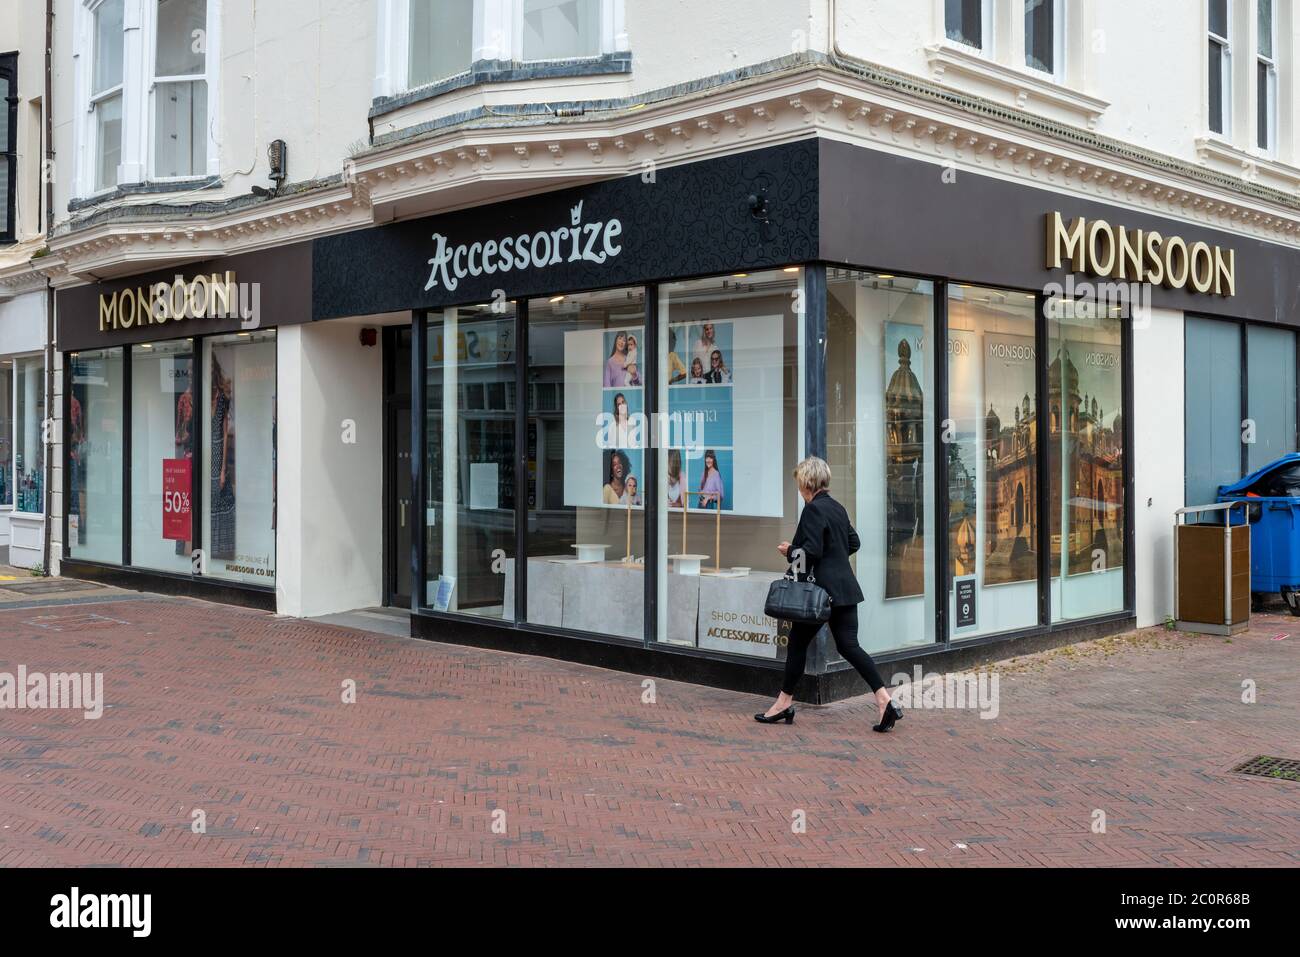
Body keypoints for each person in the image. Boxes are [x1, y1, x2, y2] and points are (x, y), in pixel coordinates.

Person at [756, 456, 902, 733]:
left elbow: (811, 552)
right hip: (845, 590)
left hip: (819, 595)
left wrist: (789, 551)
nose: (799, 489)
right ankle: (885, 699)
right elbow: (853, 542)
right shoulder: (837, 507)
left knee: (797, 646)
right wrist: (834, 563)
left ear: (807, 483)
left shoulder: (813, 510)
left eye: (800, 483)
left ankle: (783, 704)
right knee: (850, 646)